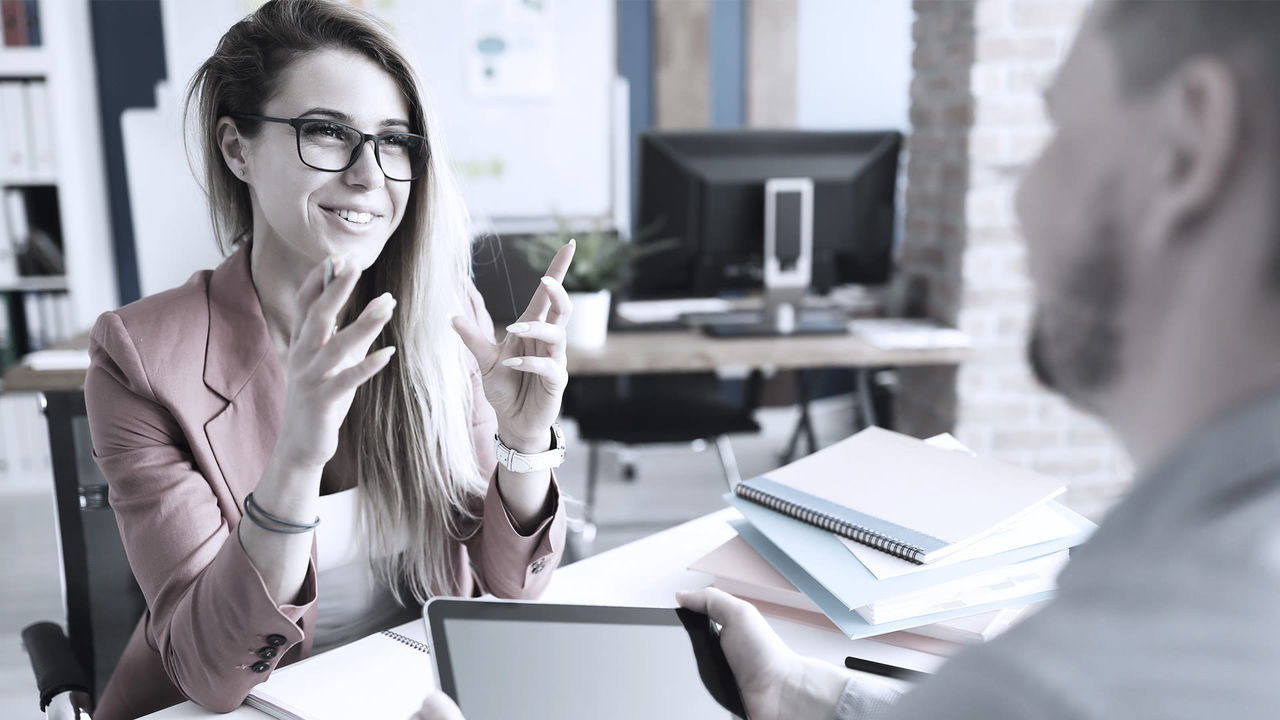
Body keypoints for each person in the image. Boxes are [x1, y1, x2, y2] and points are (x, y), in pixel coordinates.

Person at [415, 1, 1280, 718]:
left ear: (1187, 150)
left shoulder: (1085, 671)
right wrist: (801, 691)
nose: (1017, 195)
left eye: (1053, 130)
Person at [82, 1, 575, 718]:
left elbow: (512, 586)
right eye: (327, 133)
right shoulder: (142, 359)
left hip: (416, 692)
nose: (370, 173)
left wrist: (525, 445)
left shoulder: (446, 312)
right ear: (237, 148)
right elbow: (215, 675)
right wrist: (296, 460)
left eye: (394, 141)